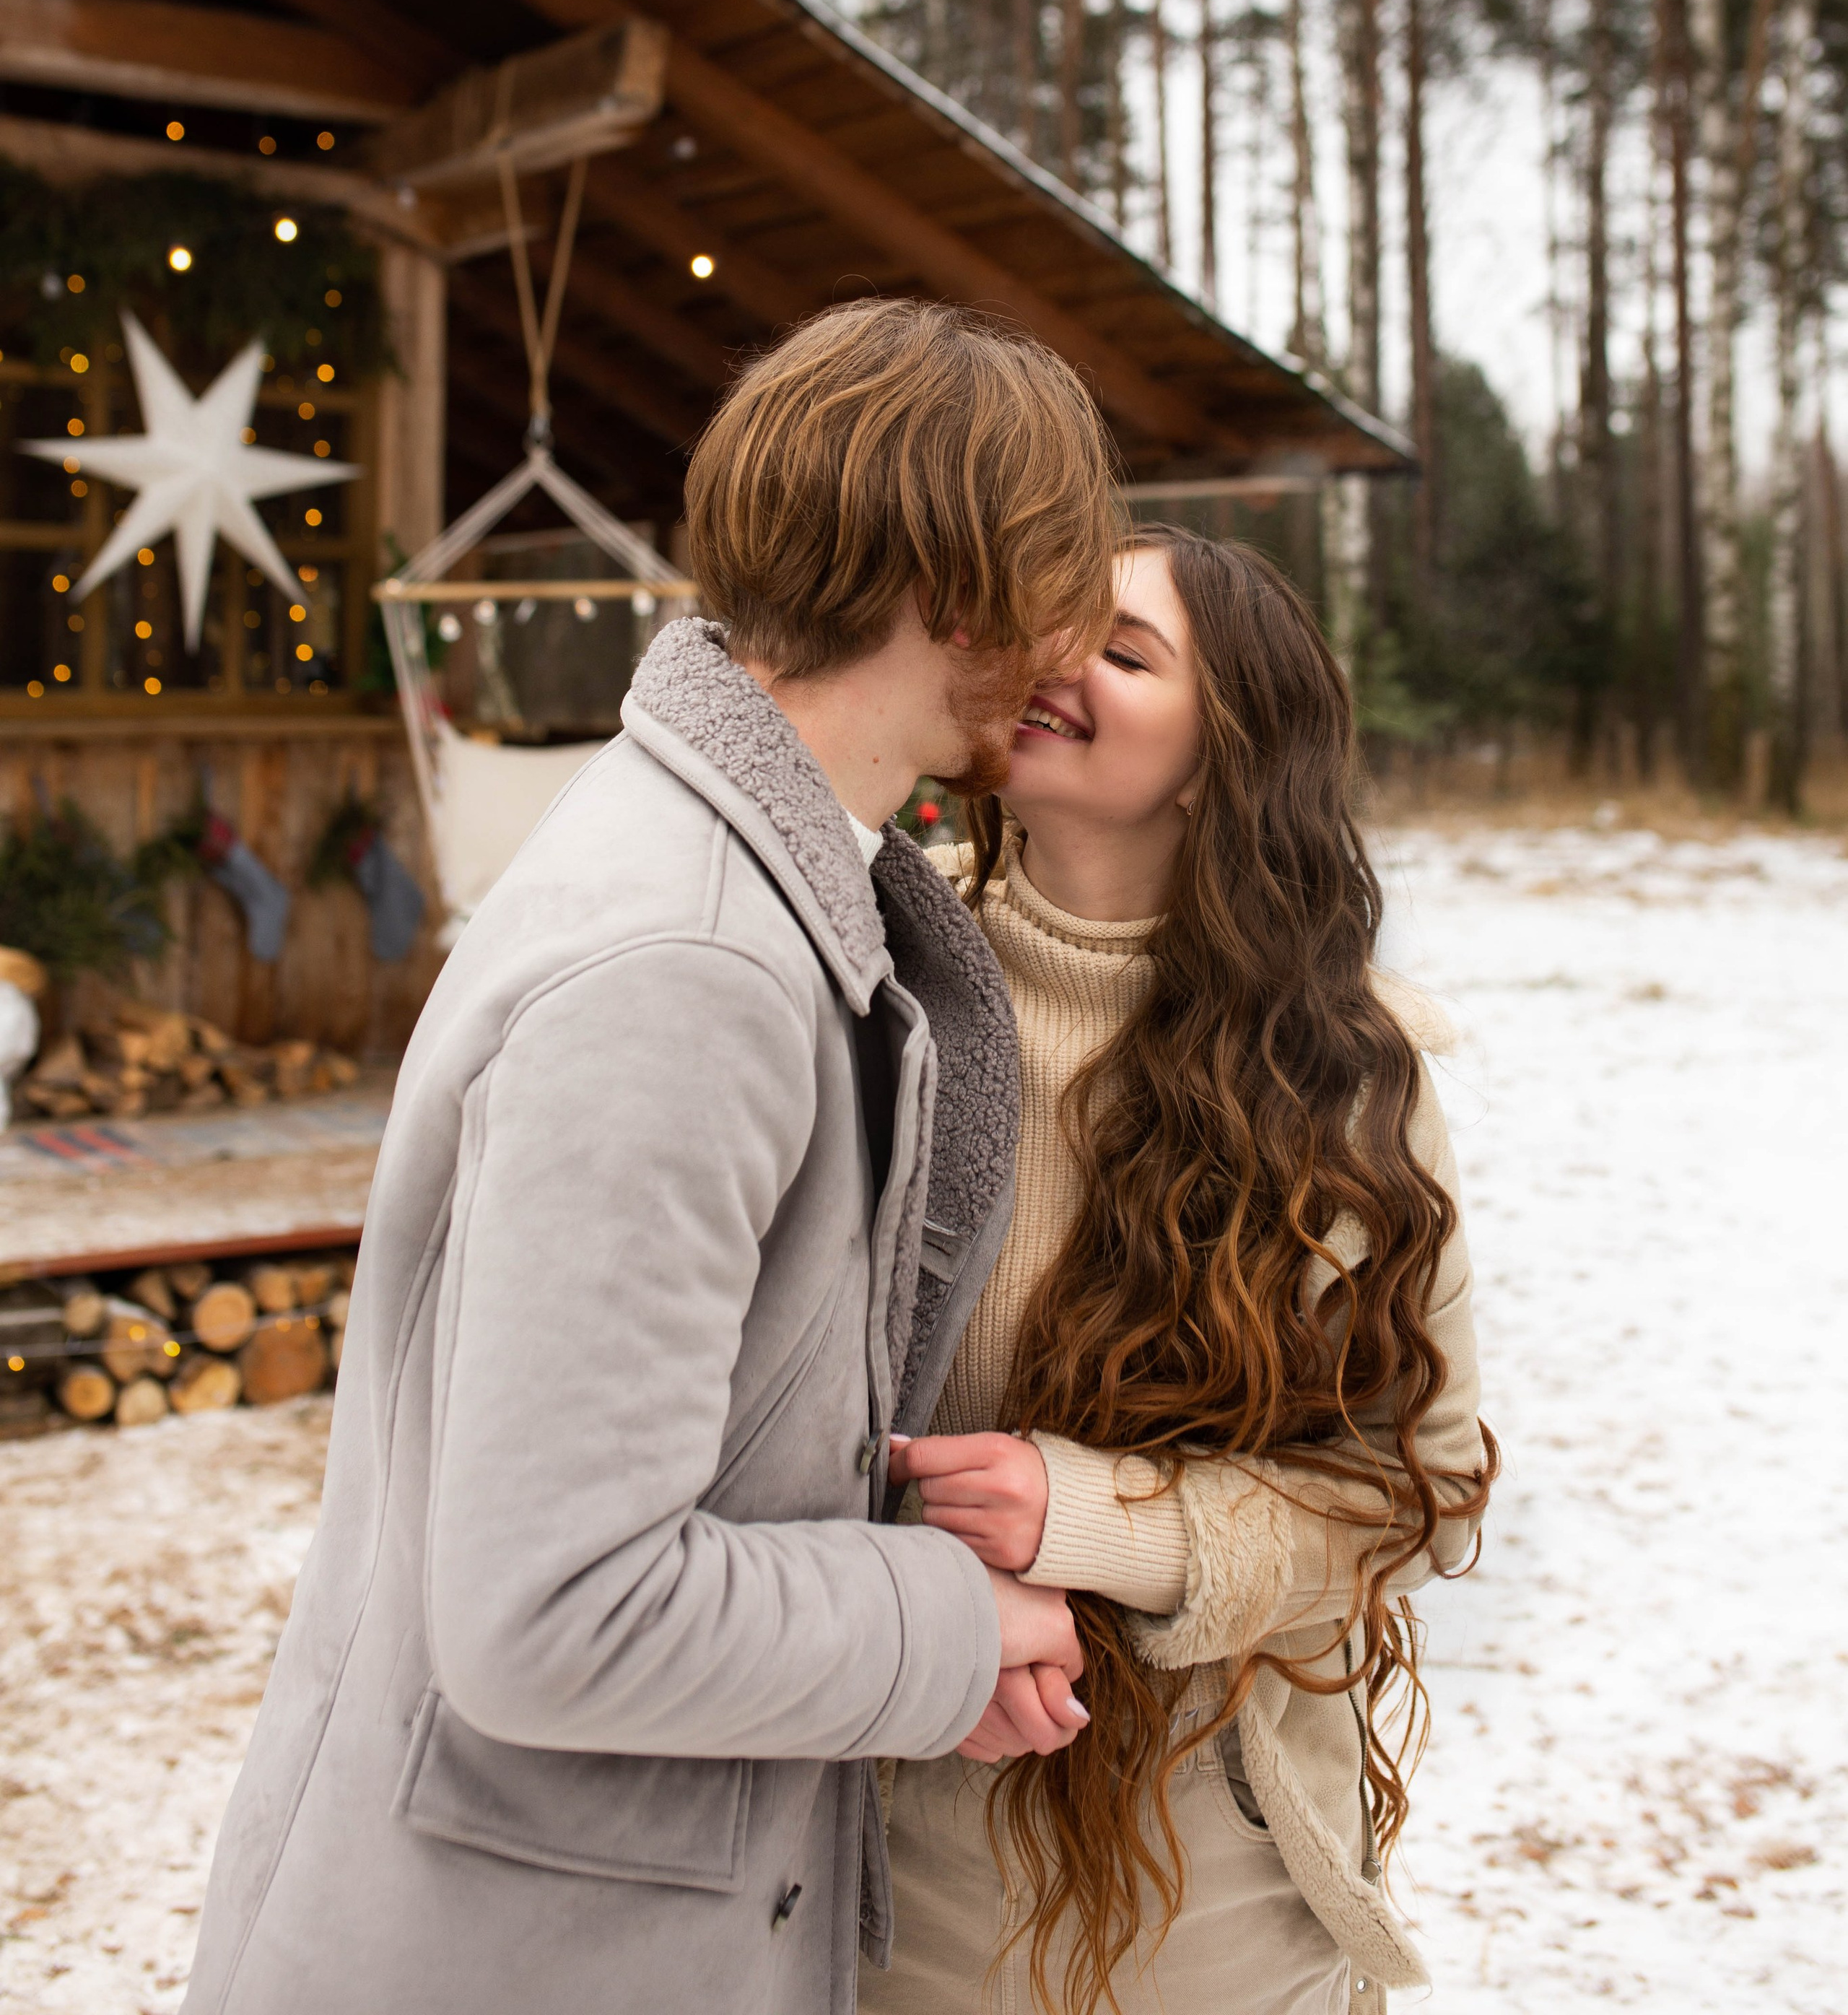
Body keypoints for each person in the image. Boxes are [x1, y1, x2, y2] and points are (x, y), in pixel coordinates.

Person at [182, 299, 1120, 2015]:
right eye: (1061, 582)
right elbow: (557, 1609)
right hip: (509, 1957)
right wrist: (944, 1623)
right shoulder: (688, 970)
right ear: (959, 586)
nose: (1071, 648)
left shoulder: (727, 879)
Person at [872, 528, 1496, 2015]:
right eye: (1053, 622)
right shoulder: (873, 980)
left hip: (1207, 1911)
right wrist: (915, 1615)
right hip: (872, 1880)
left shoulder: (1342, 1075)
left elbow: (1416, 1491)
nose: (1056, 659)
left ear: (1221, 760)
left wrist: (1102, 1520)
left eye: (1124, 650)